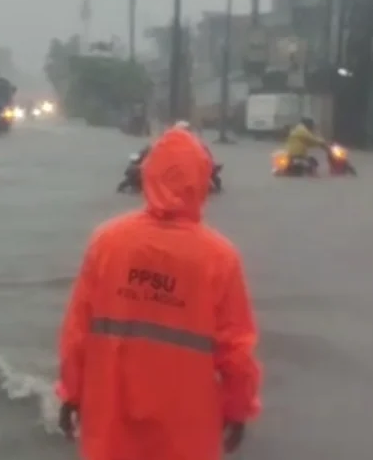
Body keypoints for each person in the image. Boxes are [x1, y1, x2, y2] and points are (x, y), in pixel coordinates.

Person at [57, 126, 261, 460]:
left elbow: (77, 334)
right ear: (202, 180)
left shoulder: (107, 242)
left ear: (147, 175)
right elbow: (237, 351)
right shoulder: (220, 258)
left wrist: (70, 394)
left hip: (111, 421)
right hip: (186, 431)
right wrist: (239, 410)